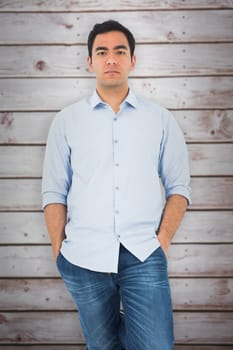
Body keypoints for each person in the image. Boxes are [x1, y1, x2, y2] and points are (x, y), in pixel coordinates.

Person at [42, 20, 191, 350]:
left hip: (143, 253)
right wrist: (58, 252)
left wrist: (162, 240)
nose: (111, 59)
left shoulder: (161, 119)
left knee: (156, 346)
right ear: (90, 61)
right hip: (83, 258)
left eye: (120, 51)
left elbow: (179, 187)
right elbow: (54, 190)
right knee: (103, 346)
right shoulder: (66, 121)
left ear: (132, 60)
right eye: (102, 52)